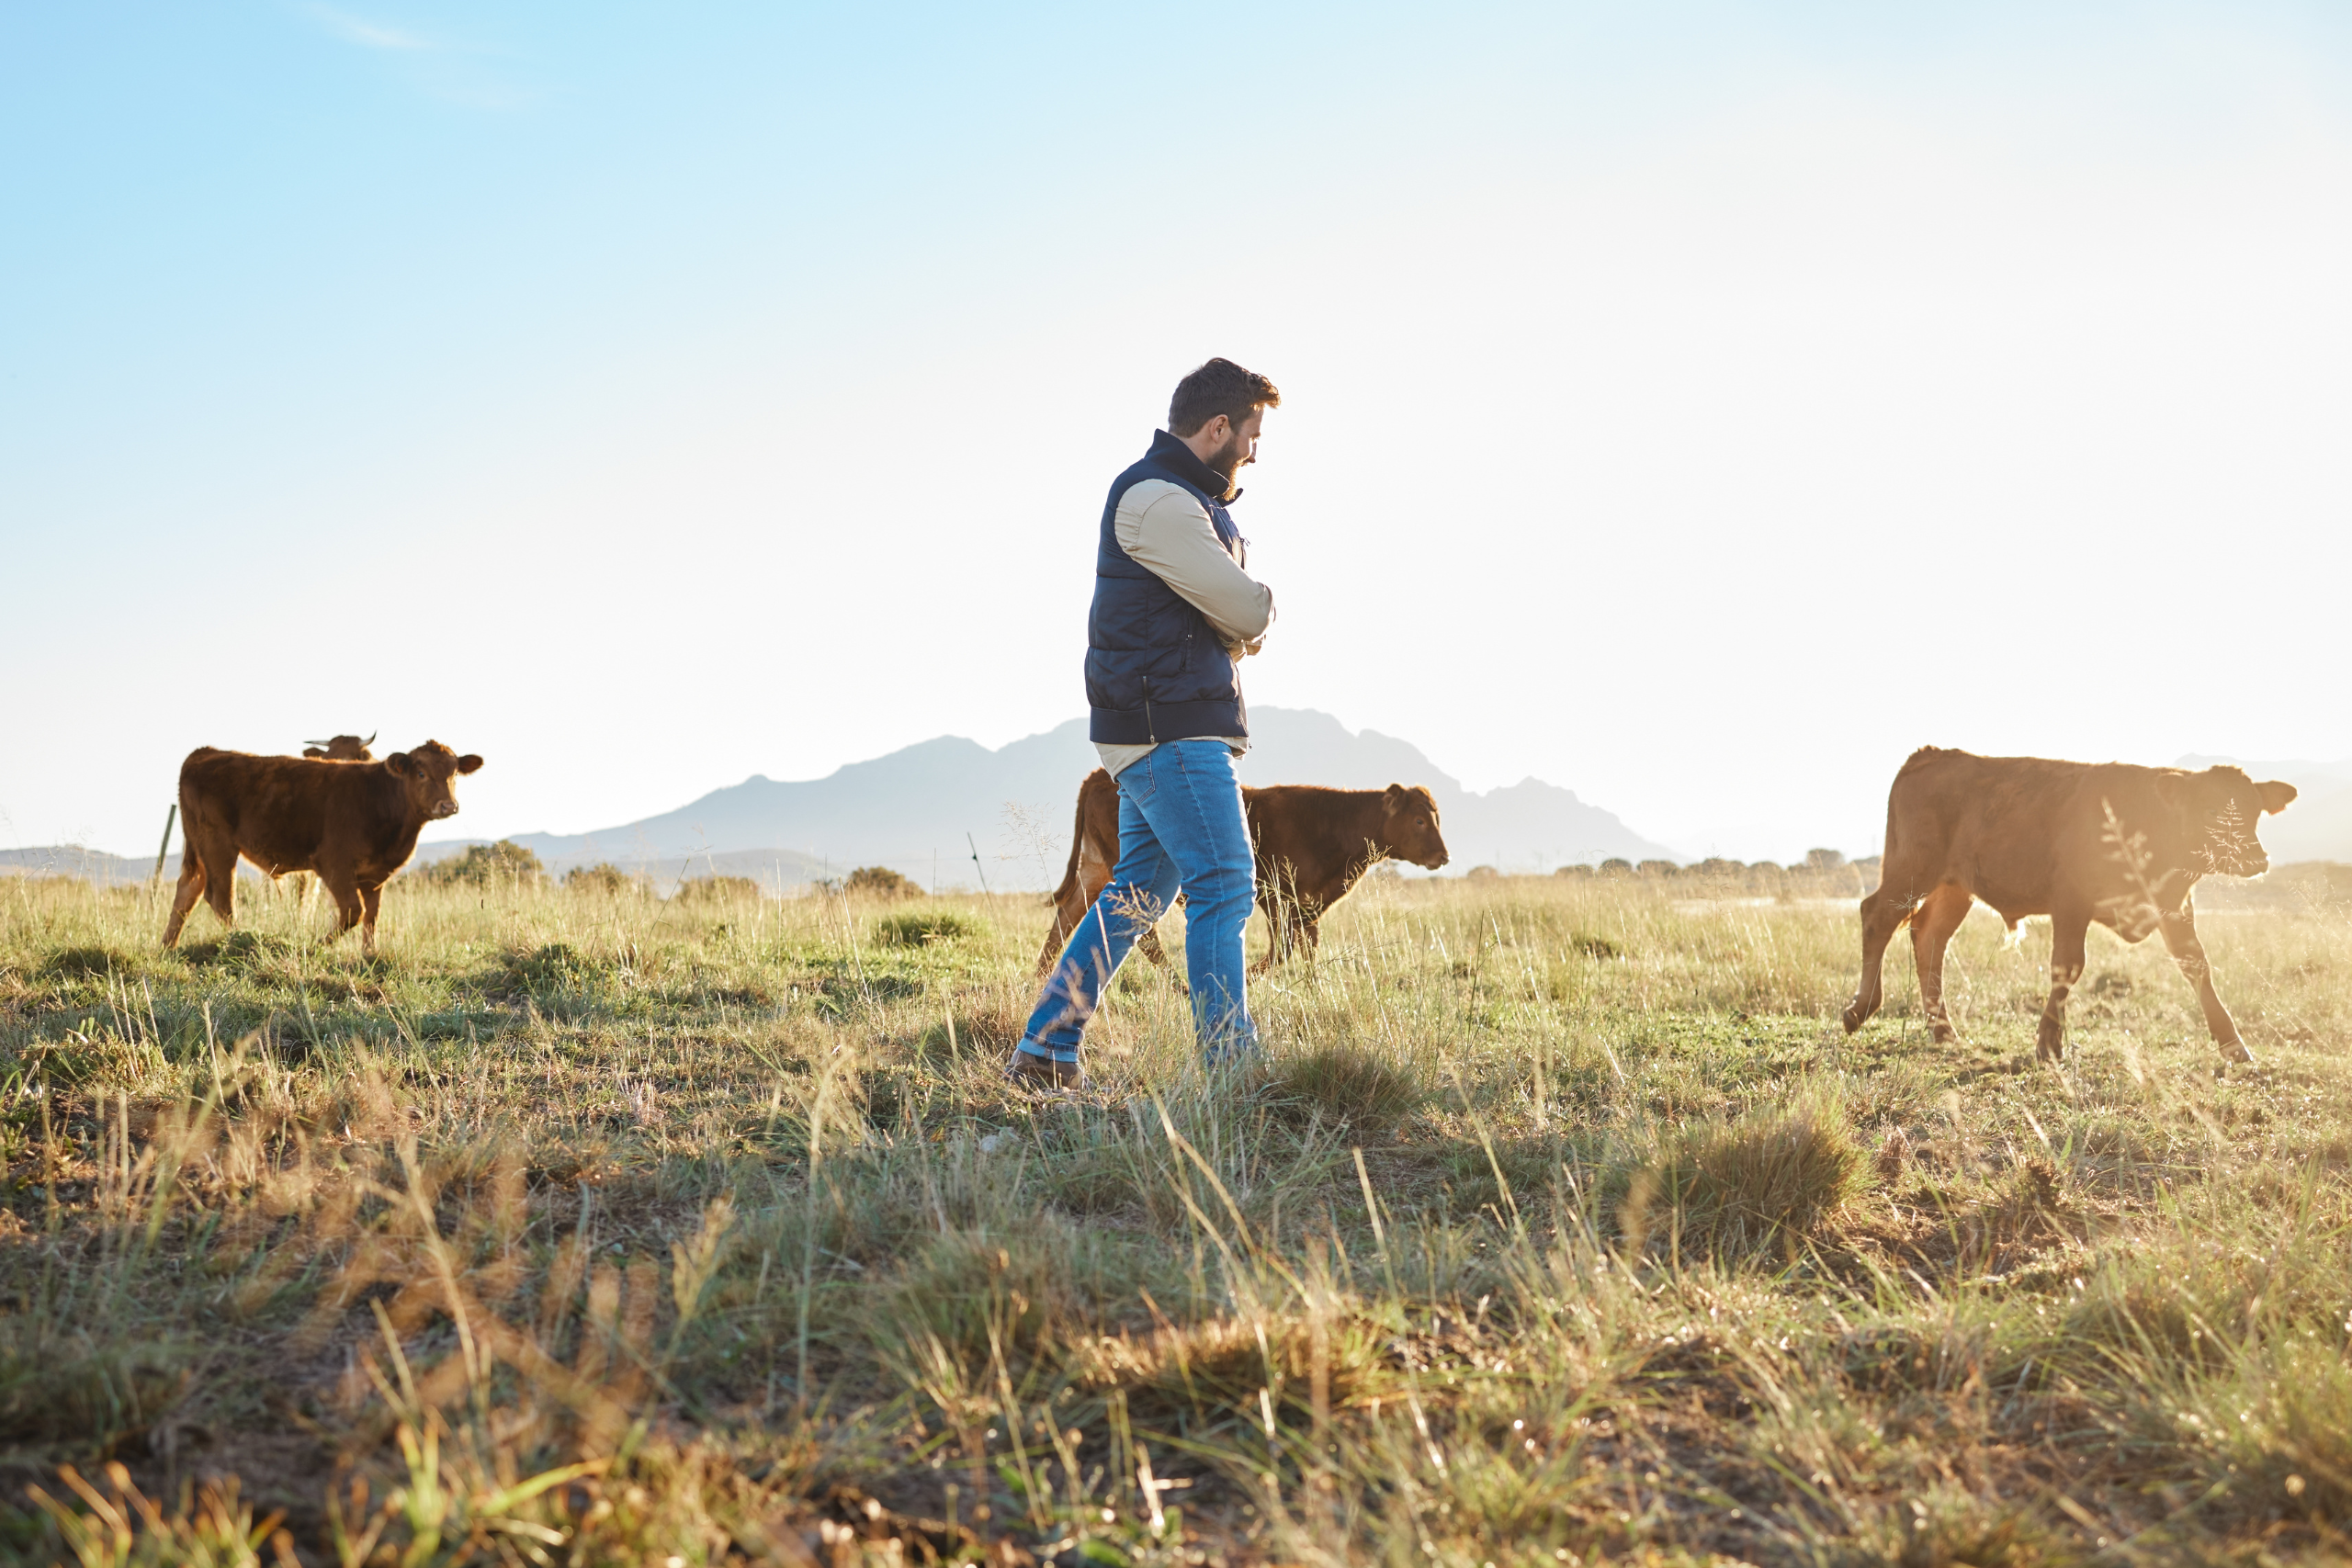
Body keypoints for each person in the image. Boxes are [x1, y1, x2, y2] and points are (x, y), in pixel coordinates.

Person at [1009, 358, 1281, 1088]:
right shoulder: (1160, 499)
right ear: (1217, 427)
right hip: (1171, 725)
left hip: (1161, 719)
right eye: (1252, 435)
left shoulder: (1183, 500)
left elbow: (1226, 615)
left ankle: (1045, 1051)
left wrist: (1235, 620)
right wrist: (1253, 612)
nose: (1255, 453)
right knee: (1224, 884)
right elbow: (1245, 610)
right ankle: (1231, 1070)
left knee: (1139, 894)